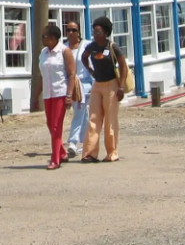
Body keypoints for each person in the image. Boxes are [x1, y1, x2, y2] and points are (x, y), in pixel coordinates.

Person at [80, 16, 129, 163]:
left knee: (110, 119)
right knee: (93, 118)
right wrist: (91, 70)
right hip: (97, 85)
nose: (96, 35)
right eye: (94, 32)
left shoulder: (112, 47)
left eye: (99, 32)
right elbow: (84, 57)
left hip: (111, 85)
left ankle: (112, 153)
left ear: (106, 32)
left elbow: (123, 66)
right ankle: (89, 153)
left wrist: (121, 86)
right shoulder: (91, 46)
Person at [34, 23, 75, 170]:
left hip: (60, 92)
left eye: (44, 36)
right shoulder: (43, 53)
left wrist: (69, 95)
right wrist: (35, 96)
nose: (42, 39)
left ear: (52, 38)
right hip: (48, 94)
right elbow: (41, 76)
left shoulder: (64, 51)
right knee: (50, 124)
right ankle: (62, 152)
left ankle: (55, 159)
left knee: (57, 126)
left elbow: (71, 75)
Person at [65, 21, 93, 158]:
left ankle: (73, 142)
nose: (71, 33)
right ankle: (85, 141)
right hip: (71, 85)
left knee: (80, 113)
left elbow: (92, 65)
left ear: (79, 32)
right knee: (82, 114)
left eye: (73, 30)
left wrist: (95, 83)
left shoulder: (86, 45)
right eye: (68, 30)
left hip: (85, 85)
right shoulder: (64, 48)